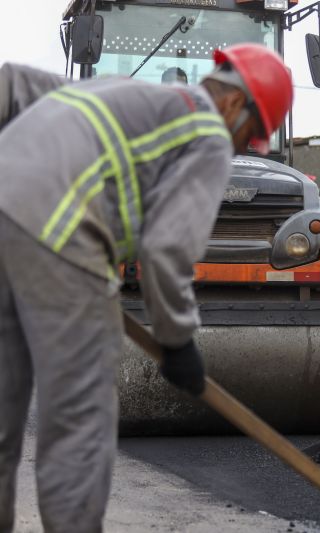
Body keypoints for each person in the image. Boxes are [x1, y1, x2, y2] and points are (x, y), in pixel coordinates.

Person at [0, 44, 293, 532]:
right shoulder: (207, 132)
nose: (241, 147)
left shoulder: (121, 92)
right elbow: (166, 248)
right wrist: (178, 341)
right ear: (235, 106)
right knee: (80, 423)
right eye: (251, 136)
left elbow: (10, 80)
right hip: (62, 233)